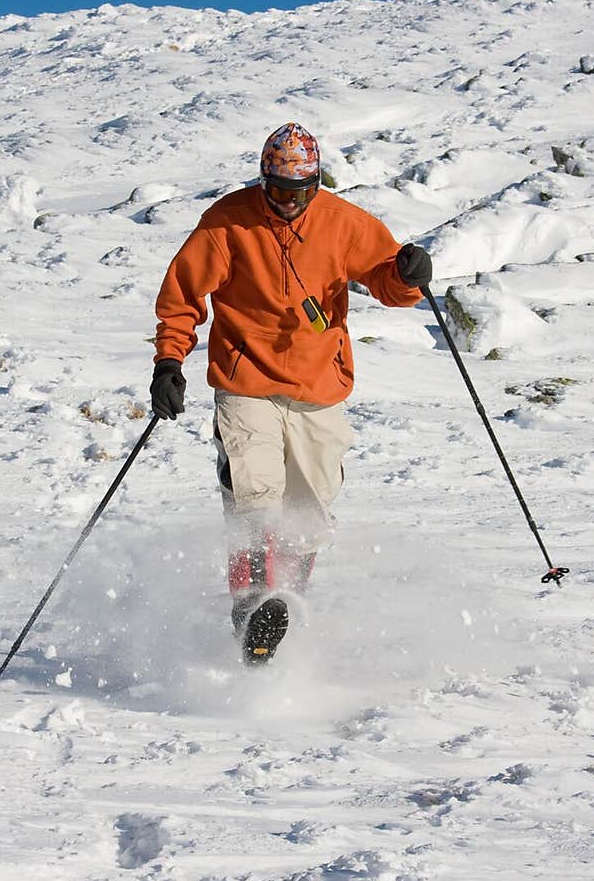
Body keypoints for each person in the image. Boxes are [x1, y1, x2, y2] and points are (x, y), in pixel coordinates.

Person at [150, 122, 432, 664]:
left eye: (298, 193)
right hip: (244, 381)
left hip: (318, 386)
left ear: (316, 185)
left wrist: (409, 273)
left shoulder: (343, 223)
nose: (285, 204)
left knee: (310, 510)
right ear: (262, 182)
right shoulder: (227, 223)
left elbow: (390, 285)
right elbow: (182, 296)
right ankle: (252, 604)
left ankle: (283, 609)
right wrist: (169, 361)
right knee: (254, 496)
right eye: (275, 191)